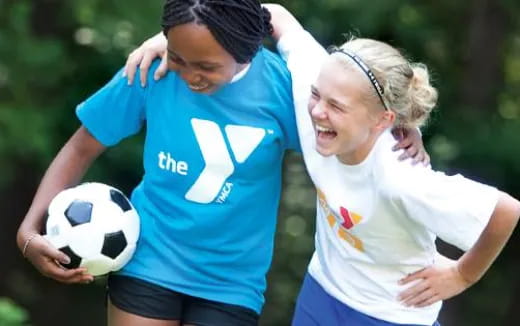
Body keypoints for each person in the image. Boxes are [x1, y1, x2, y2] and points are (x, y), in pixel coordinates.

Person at [16, 1, 427, 326]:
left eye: (206, 66)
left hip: (232, 285)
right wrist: (28, 232)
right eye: (180, 58)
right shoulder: (151, 71)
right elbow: (80, 148)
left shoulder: (284, 89)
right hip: (149, 259)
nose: (190, 75)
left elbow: (348, 123)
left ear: (244, 49)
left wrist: (399, 128)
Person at [264, 4, 519, 326]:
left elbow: (506, 210)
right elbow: (279, 18)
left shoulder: (400, 176)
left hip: (392, 315)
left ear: (382, 120)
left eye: (336, 106)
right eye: (317, 95)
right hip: (321, 294)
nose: (316, 112)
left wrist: (462, 275)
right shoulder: (320, 89)